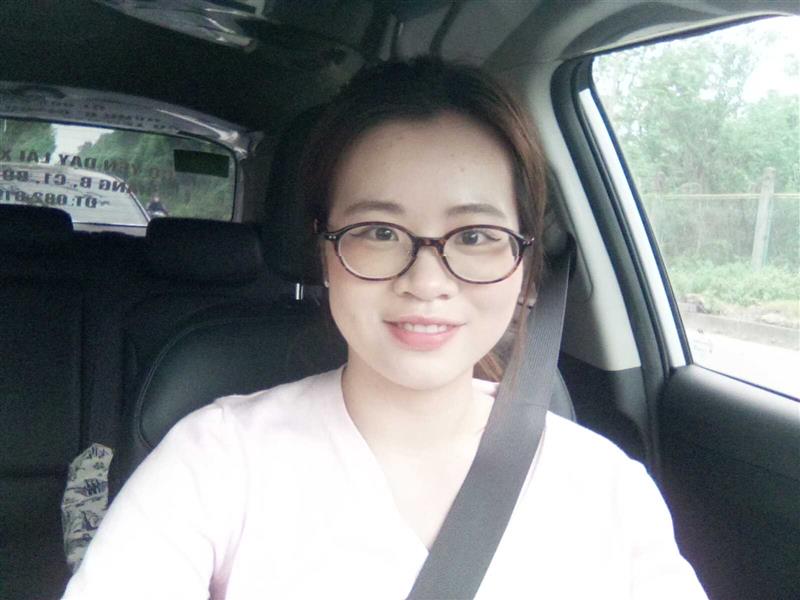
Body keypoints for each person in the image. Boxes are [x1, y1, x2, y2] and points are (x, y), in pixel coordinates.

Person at [62, 57, 707, 599]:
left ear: (528, 265)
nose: (426, 281)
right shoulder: (216, 461)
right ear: (323, 251)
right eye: (378, 231)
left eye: (475, 236)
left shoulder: (607, 488)